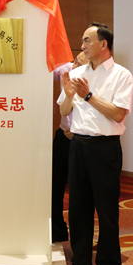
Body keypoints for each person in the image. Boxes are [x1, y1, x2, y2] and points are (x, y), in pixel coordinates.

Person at [58, 23, 133, 265]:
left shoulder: (122, 75)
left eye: (87, 40)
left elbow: (118, 114)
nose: (82, 46)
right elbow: (64, 111)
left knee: (107, 210)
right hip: (78, 147)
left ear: (104, 44)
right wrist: (70, 96)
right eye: (82, 40)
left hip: (105, 148)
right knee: (78, 210)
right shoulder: (75, 73)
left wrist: (88, 95)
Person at [51, 52, 88, 243]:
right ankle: (57, 231)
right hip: (63, 137)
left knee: (79, 192)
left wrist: (78, 130)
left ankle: (80, 239)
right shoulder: (66, 70)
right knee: (54, 187)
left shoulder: (95, 80)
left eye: (80, 65)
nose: (75, 67)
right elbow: (45, 68)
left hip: (82, 140)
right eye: (75, 61)